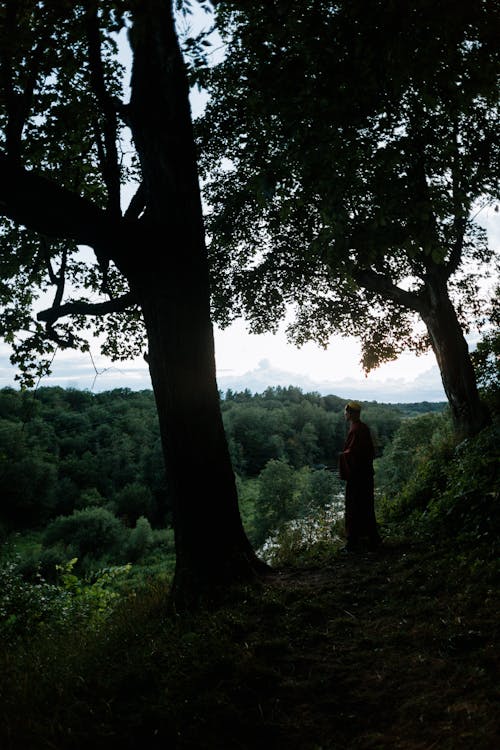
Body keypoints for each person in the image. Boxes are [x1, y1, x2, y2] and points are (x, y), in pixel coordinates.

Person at [338, 401, 382, 553]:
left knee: (353, 507)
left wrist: (341, 457)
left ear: (351, 413)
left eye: (346, 412)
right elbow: (369, 452)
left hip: (357, 477)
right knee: (367, 506)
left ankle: (352, 544)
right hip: (366, 475)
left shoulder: (356, 429)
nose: (345, 414)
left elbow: (353, 454)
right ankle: (372, 539)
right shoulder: (363, 427)